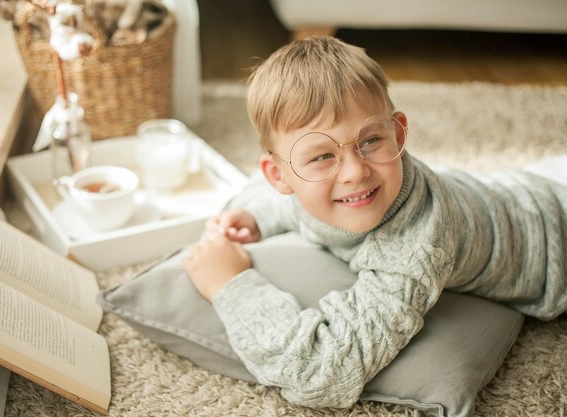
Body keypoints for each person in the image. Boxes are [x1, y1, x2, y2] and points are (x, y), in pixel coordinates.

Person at [181, 36, 567, 408]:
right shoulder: (313, 187)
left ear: (398, 131)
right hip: (522, 187)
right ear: (279, 177)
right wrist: (255, 216)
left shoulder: (417, 244)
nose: (353, 172)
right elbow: (280, 201)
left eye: (370, 141)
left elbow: (321, 375)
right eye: (321, 157)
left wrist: (229, 285)